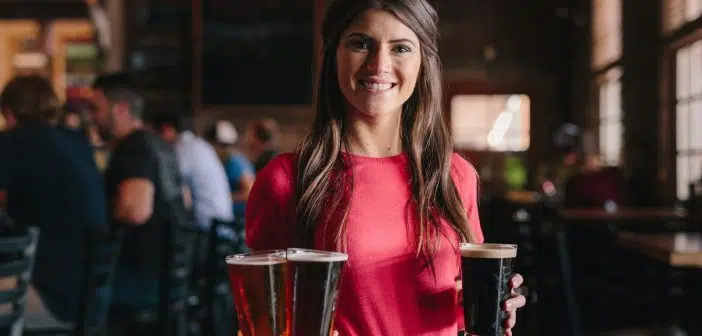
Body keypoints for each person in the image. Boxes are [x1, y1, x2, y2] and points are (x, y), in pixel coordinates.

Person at [244, 1, 526, 335]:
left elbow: (457, 309)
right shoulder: (287, 180)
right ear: (333, 53)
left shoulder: (455, 175)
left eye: (401, 48)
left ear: (423, 62)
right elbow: (262, 322)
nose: (379, 64)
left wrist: (499, 306)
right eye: (361, 43)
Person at [0, 75, 107, 328]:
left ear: (9, 112)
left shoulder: (20, 140)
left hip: (50, 298)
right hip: (87, 298)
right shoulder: (77, 141)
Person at [90, 73, 189, 313]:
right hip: (171, 279)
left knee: (70, 292)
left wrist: (95, 207)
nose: (93, 118)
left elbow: (136, 211)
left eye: (97, 109)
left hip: (138, 281)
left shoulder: (133, 147)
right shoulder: (160, 145)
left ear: (120, 109)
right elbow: (186, 199)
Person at [150, 112, 234, 231]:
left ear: (167, 130)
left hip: (209, 228)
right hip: (219, 223)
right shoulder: (197, 144)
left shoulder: (183, 148)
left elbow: (168, 184)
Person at [204, 120, 255, 219]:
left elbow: (249, 194)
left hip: (239, 222)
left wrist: (222, 197)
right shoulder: (227, 161)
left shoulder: (234, 162)